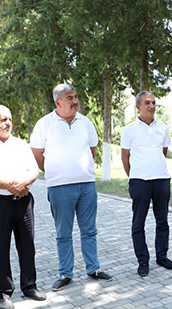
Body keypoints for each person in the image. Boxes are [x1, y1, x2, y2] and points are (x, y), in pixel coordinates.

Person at [30, 84, 112, 291]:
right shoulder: (44, 124)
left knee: (89, 230)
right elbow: (37, 154)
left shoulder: (85, 123)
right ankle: (66, 273)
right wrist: (55, 171)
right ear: (58, 102)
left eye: (76, 97)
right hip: (59, 187)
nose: (75, 101)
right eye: (70, 98)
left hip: (87, 185)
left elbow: (92, 150)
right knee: (63, 233)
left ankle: (93, 268)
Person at [0, 105, 46, 309]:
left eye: (10, 119)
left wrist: (22, 185)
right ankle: (4, 292)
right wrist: (11, 185)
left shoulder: (21, 144)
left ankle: (29, 286)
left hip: (24, 201)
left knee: (27, 245)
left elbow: (33, 170)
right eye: (3, 119)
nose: (8, 123)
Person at [121, 91, 172, 276]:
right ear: (138, 107)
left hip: (161, 180)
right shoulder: (129, 130)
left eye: (153, 102)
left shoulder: (163, 128)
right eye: (147, 103)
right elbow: (125, 157)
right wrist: (134, 176)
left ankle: (162, 256)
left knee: (163, 221)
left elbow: (163, 151)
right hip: (139, 182)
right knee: (138, 223)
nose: (151, 106)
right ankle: (143, 260)